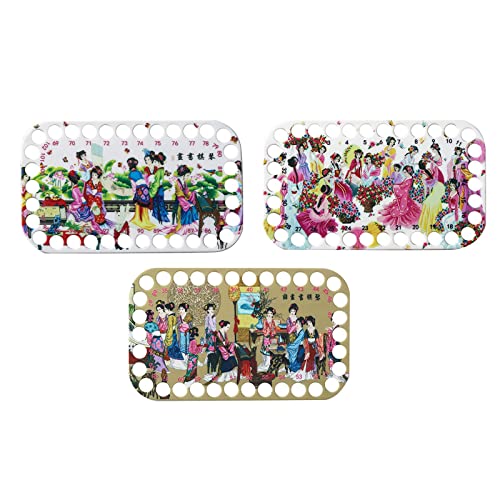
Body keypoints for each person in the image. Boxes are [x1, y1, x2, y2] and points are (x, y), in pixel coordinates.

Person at [127, 157, 156, 231]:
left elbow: (133, 185)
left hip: (139, 188)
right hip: (145, 188)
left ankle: (139, 219)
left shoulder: (130, 174)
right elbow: (144, 180)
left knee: (139, 204)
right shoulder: (139, 172)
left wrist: (134, 193)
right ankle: (144, 219)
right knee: (144, 204)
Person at [173, 165, 199, 234]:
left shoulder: (184, 182)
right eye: (187, 175)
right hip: (179, 201)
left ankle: (191, 225)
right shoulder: (177, 183)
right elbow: (180, 196)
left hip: (184, 199)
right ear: (183, 175)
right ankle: (185, 226)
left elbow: (187, 192)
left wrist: (193, 193)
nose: (188, 177)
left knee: (193, 207)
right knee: (188, 209)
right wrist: (188, 204)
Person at [144, 310, 168, 382]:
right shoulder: (148, 325)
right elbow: (149, 335)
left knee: (158, 354)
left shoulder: (152, 324)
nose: (150, 317)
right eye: (149, 316)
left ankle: (160, 367)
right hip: (156, 341)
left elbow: (150, 335)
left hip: (157, 340)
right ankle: (158, 367)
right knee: (156, 355)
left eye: (151, 316)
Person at [83, 166, 109, 232]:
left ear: (98, 175)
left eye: (95, 175)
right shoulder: (89, 182)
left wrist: (96, 194)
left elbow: (99, 192)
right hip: (90, 197)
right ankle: (95, 224)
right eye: (92, 175)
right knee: (94, 206)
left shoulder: (99, 182)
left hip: (97, 198)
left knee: (98, 207)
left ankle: (101, 223)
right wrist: (92, 193)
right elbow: (87, 192)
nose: (93, 176)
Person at [149, 151, 170, 224]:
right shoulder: (162, 170)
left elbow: (157, 183)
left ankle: (159, 220)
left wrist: (151, 191)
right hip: (161, 190)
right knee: (160, 204)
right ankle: (161, 220)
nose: (154, 163)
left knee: (157, 205)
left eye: (155, 161)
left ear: (158, 162)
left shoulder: (158, 171)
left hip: (157, 190)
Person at [204, 303, 220, 376]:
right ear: (207, 310)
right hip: (209, 332)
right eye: (209, 309)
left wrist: (214, 330)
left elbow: (213, 325)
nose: (211, 310)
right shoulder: (208, 316)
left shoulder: (213, 316)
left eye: (212, 309)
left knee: (213, 344)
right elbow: (207, 325)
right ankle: (208, 357)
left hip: (212, 332)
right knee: (209, 344)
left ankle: (211, 357)